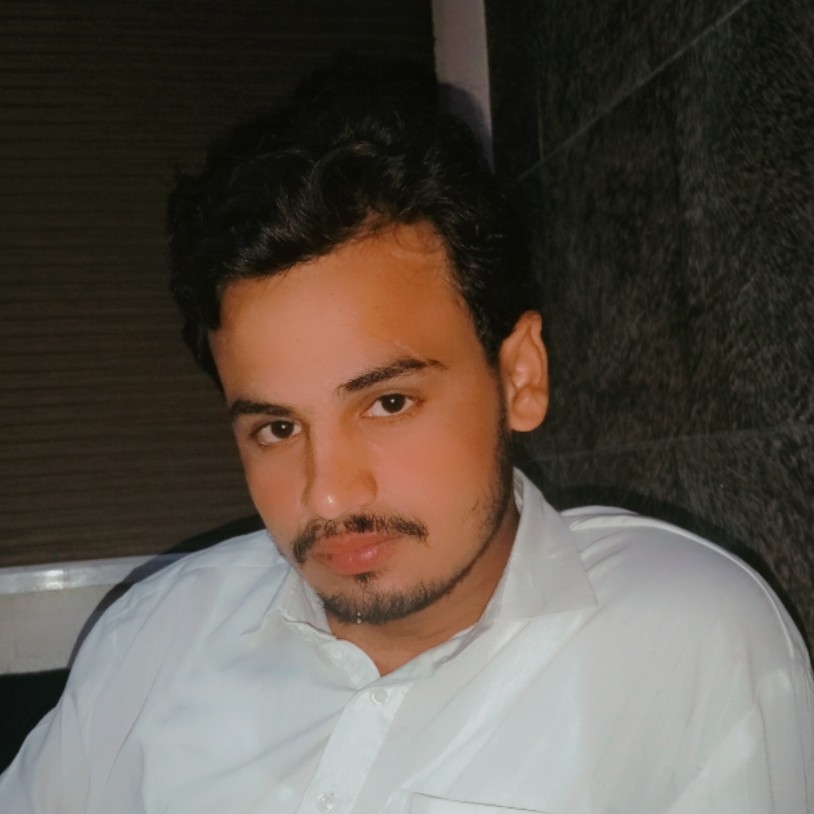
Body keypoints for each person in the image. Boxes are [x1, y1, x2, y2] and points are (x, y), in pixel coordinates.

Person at [1, 57, 812, 814]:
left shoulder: (690, 640)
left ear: (519, 377)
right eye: (278, 427)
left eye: (387, 403)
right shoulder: (150, 639)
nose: (328, 495)